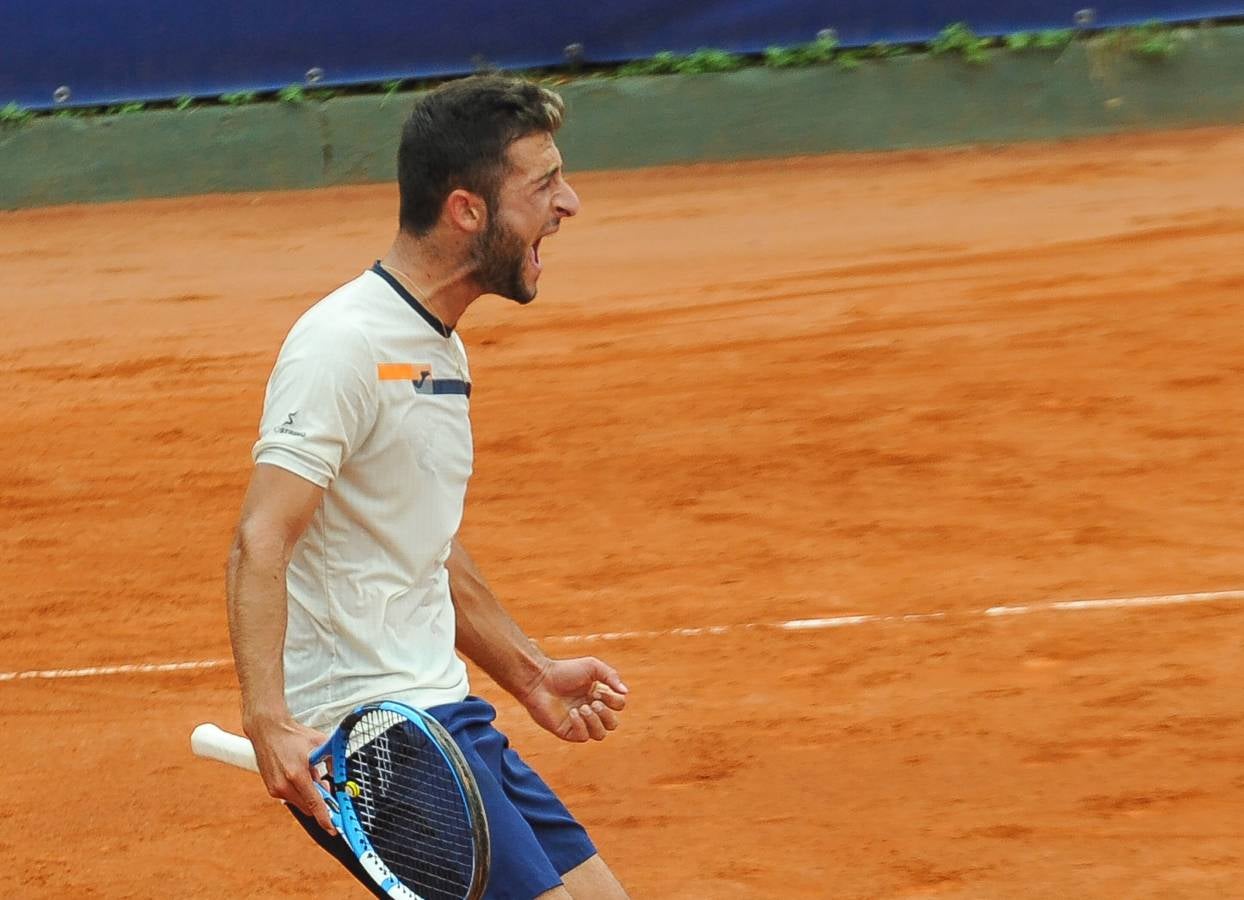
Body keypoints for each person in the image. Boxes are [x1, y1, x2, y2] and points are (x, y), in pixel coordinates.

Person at [224, 74, 630, 900]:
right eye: (544, 184)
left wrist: (527, 673)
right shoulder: (341, 343)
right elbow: (261, 537)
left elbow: (420, 542)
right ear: (466, 210)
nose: (570, 202)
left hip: (446, 717)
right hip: (371, 736)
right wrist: (268, 720)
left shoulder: (435, 347)